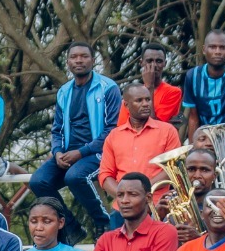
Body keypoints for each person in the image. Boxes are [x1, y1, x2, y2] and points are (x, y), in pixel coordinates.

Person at [27, 42, 121, 237]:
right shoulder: (64, 91)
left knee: (75, 176)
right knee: (38, 181)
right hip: (69, 153)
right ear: (68, 61)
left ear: (93, 60)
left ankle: (104, 222)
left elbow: (112, 130)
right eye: (74, 57)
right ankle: (71, 227)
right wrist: (57, 152)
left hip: (99, 152)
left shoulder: (108, 88)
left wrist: (81, 152)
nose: (79, 60)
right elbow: (57, 129)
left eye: (84, 56)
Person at [97, 82, 181, 212]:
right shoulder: (113, 136)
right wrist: (125, 197)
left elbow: (173, 169)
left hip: (159, 206)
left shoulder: (168, 131)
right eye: (139, 100)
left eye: (148, 99)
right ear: (126, 105)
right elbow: (105, 175)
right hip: (122, 209)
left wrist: (141, 191)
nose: (146, 104)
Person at [181, 30, 225, 140]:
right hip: (205, 138)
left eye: (222, 47)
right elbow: (193, 118)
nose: (217, 52)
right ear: (204, 50)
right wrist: (193, 146)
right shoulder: (193, 76)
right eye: (212, 47)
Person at [125, 43, 183, 127]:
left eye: (159, 61)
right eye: (149, 61)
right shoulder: (131, 94)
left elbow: (154, 128)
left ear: (165, 63)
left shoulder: (173, 92)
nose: (154, 65)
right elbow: (122, 127)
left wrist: (149, 87)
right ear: (141, 63)